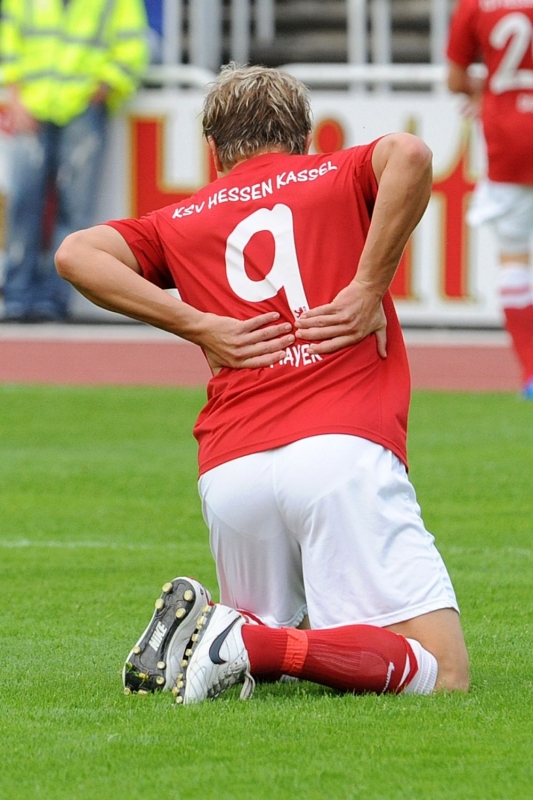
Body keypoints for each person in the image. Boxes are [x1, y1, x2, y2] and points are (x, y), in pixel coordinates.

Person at [55, 64, 470, 704]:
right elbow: (410, 154)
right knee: (440, 670)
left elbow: (75, 253)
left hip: (231, 471)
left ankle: (231, 636)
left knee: (295, 644)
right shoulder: (336, 173)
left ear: (213, 149)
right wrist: (368, 287)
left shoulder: (181, 218)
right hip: (339, 451)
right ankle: (242, 639)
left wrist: (198, 325)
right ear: (304, 136)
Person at [0, 0, 149, 322]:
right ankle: (18, 295)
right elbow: (8, 43)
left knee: (72, 209)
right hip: (36, 106)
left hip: (80, 108)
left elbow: (133, 48)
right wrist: (14, 96)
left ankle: (52, 298)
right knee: (25, 203)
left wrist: (103, 87)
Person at [447, 0, 533, 400]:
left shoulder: (476, 4)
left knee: (514, 257)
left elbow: (455, 79)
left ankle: (531, 371)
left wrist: (490, 88)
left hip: (508, 137)